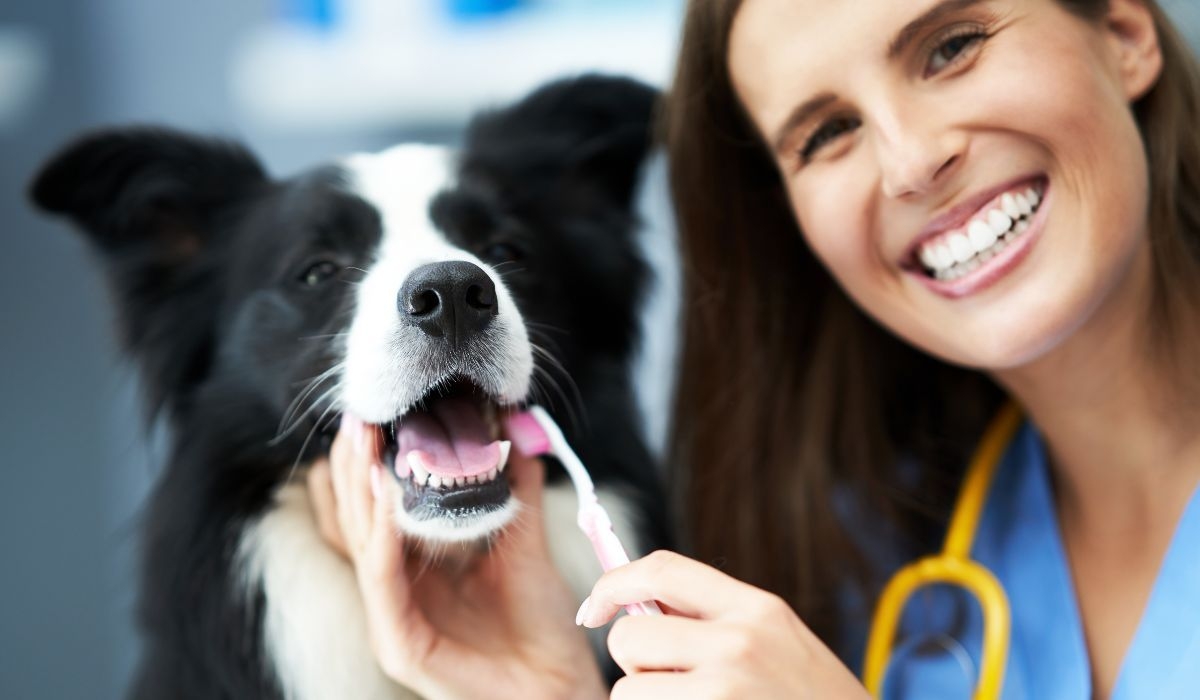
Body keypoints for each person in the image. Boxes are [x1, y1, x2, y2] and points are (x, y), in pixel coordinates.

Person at [307, 0, 1200, 697]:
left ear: (1124, 32)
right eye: (826, 134)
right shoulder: (860, 565)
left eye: (952, 46)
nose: (910, 162)